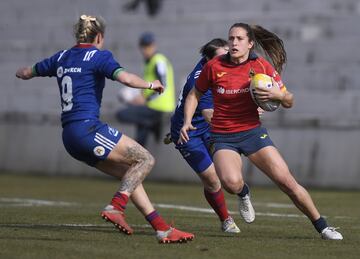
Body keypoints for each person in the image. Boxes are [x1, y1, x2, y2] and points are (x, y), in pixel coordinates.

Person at [15, 14, 194, 244]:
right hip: (88, 130)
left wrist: (22, 72)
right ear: (99, 36)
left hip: (69, 137)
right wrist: (151, 85)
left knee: (129, 175)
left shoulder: (61, 57)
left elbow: (28, 72)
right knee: (145, 160)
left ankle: (162, 229)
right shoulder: (98, 56)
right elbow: (126, 78)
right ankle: (116, 206)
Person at [179, 22, 343, 240]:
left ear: (250, 44)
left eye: (239, 39)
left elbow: (289, 100)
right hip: (223, 136)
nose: (234, 43)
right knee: (231, 183)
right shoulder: (214, 66)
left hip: (252, 133)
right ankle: (243, 192)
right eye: (231, 38)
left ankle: (323, 226)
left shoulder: (262, 66)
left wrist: (279, 96)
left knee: (287, 182)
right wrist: (186, 121)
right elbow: (194, 95)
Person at [168, 38, 245, 233]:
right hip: (189, 133)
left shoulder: (220, 67)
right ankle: (226, 220)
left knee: (229, 171)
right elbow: (209, 114)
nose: (226, 60)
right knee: (212, 178)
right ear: (208, 60)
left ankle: (244, 193)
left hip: (207, 129)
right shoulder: (202, 76)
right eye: (221, 58)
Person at [116, 32, 176, 147]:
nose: (145, 49)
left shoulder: (158, 60)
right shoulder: (150, 62)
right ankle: (145, 138)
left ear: (154, 45)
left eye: (148, 46)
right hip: (152, 106)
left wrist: (146, 99)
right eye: (143, 46)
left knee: (121, 114)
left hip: (158, 107)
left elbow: (163, 85)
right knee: (142, 123)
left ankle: (152, 125)